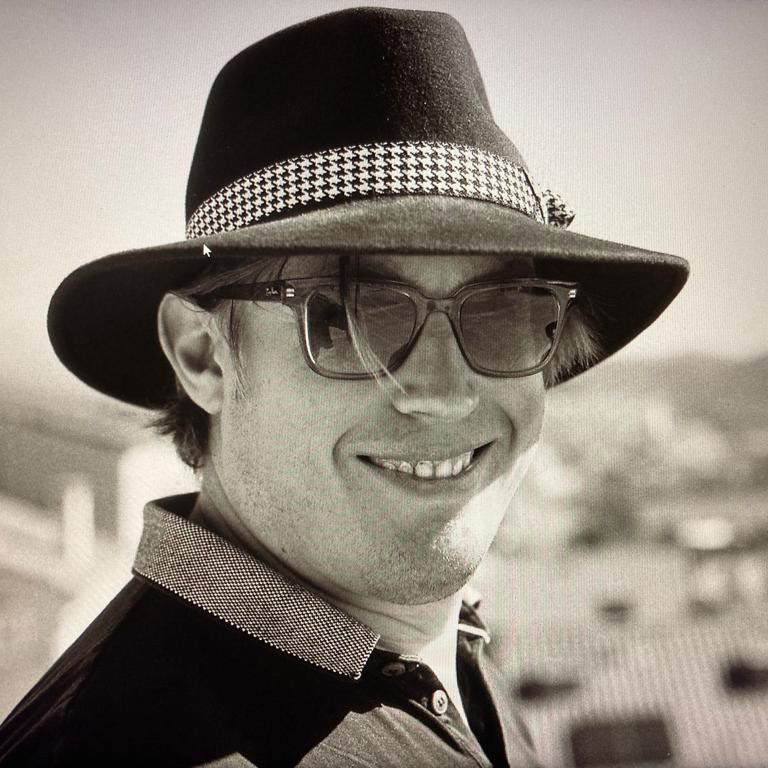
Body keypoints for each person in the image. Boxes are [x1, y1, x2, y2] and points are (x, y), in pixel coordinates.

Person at [0, 7, 688, 767]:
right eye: (352, 314)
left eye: (504, 314)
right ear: (203, 357)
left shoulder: (447, 660)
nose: (445, 390)